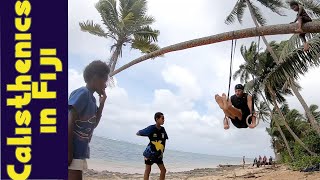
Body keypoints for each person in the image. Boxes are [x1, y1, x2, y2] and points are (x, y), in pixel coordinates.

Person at [68, 60, 110, 180]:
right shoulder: (83, 93)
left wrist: (101, 105)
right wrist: (68, 150)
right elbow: (69, 120)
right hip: (72, 150)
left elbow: (93, 124)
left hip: (79, 151)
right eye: (104, 81)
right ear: (96, 78)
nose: (105, 86)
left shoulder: (92, 100)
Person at [136, 112, 169, 180]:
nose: (164, 120)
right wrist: (146, 134)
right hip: (149, 154)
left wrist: (162, 153)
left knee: (163, 170)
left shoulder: (163, 129)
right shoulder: (151, 128)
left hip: (158, 155)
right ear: (157, 119)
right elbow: (138, 133)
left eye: (164, 118)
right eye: (162, 118)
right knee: (148, 170)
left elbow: (164, 142)